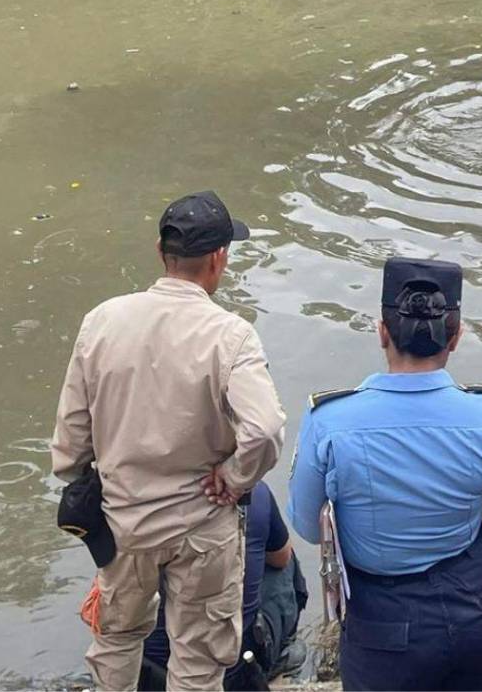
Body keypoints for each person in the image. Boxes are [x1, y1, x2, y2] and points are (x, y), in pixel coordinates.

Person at [51, 190, 287, 692]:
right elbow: (265, 429)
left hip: (123, 519)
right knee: (198, 659)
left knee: (116, 639)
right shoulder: (232, 335)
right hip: (201, 524)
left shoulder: (101, 321)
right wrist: (234, 477)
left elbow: (72, 432)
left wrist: (81, 482)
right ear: (219, 258)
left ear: (162, 253)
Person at [288, 257, 482, 691]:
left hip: (386, 632)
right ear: (456, 336)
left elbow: (308, 526)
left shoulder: (330, 423)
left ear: (382, 331)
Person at [139, 482, 308, 691]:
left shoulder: (132, 495)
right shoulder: (250, 492)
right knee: (283, 559)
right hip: (227, 664)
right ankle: (280, 652)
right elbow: (281, 558)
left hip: (145, 662)